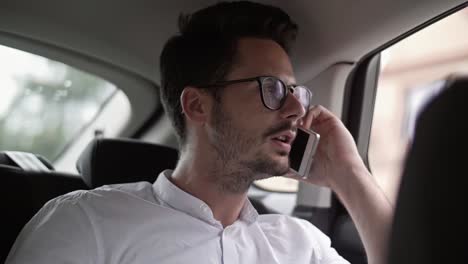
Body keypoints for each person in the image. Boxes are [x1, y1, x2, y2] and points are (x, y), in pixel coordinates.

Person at [6, 1, 392, 264]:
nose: (297, 109)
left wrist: (350, 174)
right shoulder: (86, 222)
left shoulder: (300, 245)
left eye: (296, 92)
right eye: (272, 88)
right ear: (197, 105)